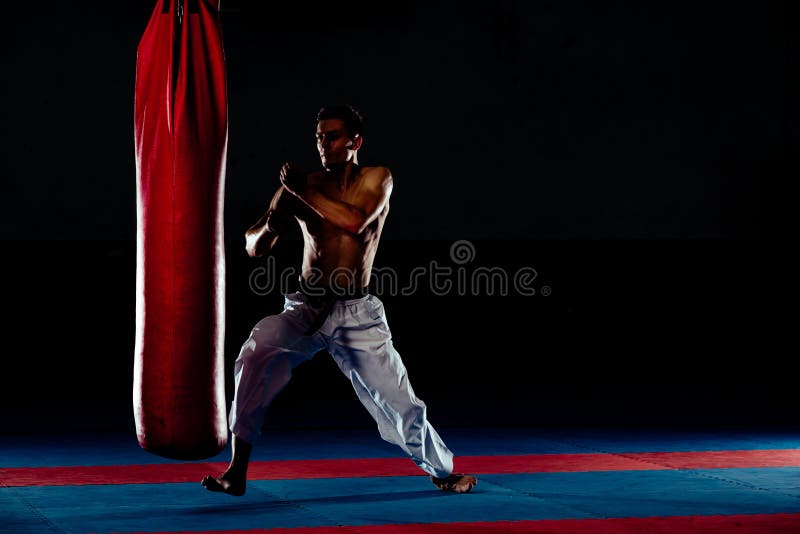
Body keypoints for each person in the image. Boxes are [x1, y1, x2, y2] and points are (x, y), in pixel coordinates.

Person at [202, 104, 477, 496]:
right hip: (303, 309)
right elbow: (253, 248)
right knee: (253, 357)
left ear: (355, 141)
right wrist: (272, 220)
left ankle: (442, 471)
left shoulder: (376, 178)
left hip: (356, 313)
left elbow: (355, 222)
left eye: (331, 136)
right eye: (318, 137)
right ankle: (236, 471)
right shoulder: (303, 185)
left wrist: (301, 191)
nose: (322, 144)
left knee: (399, 400)